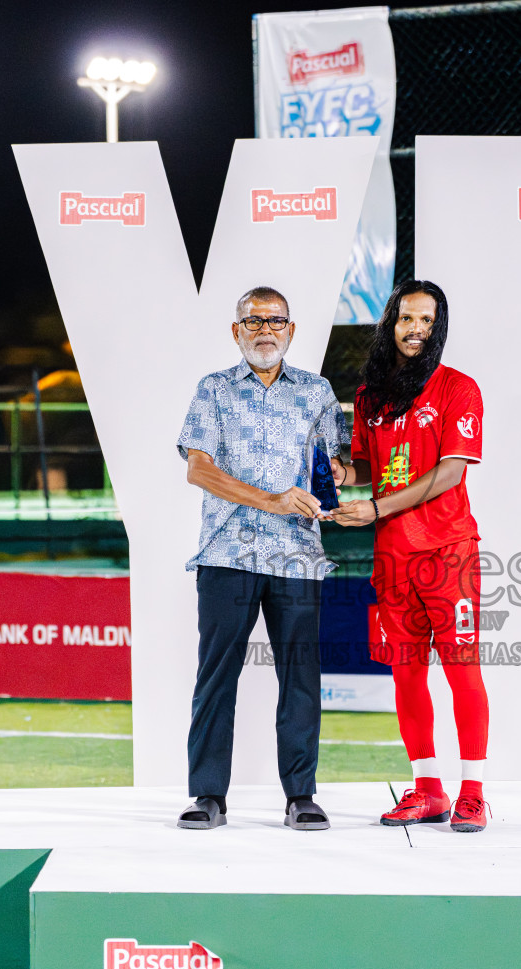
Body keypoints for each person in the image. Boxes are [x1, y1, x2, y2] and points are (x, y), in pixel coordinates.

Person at [175, 285, 348, 831]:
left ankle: (301, 796)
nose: (266, 330)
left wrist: (336, 477)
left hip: (297, 556)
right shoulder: (214, 390)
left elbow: (333, 465)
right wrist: (271, 499)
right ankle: (207, 796)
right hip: (227, 553)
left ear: (291, 331)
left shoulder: (318, 392)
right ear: (237, 331)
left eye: (276, 322)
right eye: (254, 322)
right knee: (216, 676)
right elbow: (197, 469)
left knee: (300, 676)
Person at [332, 280, 490, 833]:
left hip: (447, 552)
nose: (415, 329)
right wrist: (334, 477)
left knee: (461, 671)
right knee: (405, 676)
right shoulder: (370, 396)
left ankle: (472, 792)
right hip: (392, 558)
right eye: (406, 319)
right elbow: (366, 470)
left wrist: (374, 508)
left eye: (426, 320)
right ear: (390, 324)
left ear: (438, 326)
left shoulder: (457, 388)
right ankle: (427, 790)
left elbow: (449, 473)